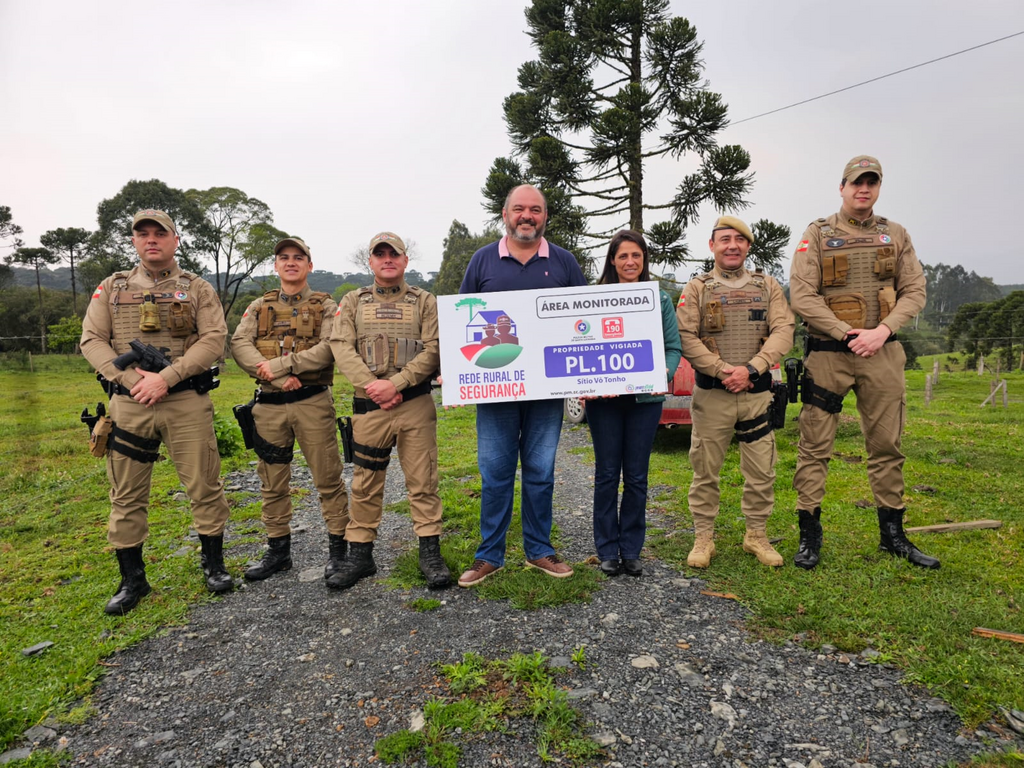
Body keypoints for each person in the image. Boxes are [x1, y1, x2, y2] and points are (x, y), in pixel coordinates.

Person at [80, 210, 233, 614]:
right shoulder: (111, 288)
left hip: (185, 401)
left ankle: (213, 564)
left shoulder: (197, 288)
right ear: (133, 241)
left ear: (175, 240)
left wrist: (167, 376)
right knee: (126, 493)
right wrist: (132, 381)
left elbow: (214, 340)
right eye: (142, 234)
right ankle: (133, 581)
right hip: (129, 405)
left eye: (159, 234)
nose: (151, 240)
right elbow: (92, 340)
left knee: (203, 484)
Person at [789, 156, 937, 570]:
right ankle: (809, 536)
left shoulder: (896, 235)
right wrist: (844, 332)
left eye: (872, 183)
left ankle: (893, 535)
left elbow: (914, 291)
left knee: (887, 445)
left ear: (878, 188)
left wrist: (882, 331)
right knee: (815, 446)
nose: (864, 190)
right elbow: (801, 296)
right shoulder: (816, 235)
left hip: (882, 353)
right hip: (829, 355)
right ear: (842, 187)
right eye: (857, 183)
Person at [457, 184, 588, 587]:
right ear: (505, 214)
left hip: (546, 391)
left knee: (539, 471)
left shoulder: (564, 263)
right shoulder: (482, 261)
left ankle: (539, 551)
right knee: (495, 472)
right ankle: (489, 555)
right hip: (496, 387)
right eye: (519, 209)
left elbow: (586, 321)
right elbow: (462, 316)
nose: (526, 216)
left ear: (545, 216)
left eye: (535, 209)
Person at [327, 232, 450, 590]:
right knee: (365, 484)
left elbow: (434, 349)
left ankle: (430, 552)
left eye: (393, 254)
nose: (387, 259)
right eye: (379, 254)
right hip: (370, 407)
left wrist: (395, 384)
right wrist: (372, 386)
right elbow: (341, 345)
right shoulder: (352, 300)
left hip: (414, 404)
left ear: (405, 260)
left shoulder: (425, 301)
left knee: (423, 481)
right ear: (371, 261)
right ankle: (360, 556)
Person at [229, 237, 350, 583]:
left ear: (310, 265)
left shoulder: (327, 305)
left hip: (312, 401)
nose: (291, 262)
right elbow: (239, 343)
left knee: (328, 478)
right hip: (269, 405)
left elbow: (330, 347)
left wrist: (282, 365)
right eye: (284, 257)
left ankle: (338, 551)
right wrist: (275, 377)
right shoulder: (258, 305)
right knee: (271, 482)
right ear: (276, 266)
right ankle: (278, 551)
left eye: (299, 257)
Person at [677, 215, 795, 569]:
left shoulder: (768, 285)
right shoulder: (697, 288)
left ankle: (756, 535)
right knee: (705, 469)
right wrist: (723, 370)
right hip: (713, 394)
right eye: (724, 239)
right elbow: (686, 336)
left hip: (757, 395)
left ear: (747, 246)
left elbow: (783, 330)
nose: (732, 245)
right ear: (712, 245)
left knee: (761, 470)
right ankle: (703, 538)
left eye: (739, 240)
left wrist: (752, 369)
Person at [585, 230, 682, 577]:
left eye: (636, 256)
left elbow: (673, 347)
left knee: (637, 477)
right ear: (612, 260)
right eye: (623, 256)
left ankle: (632, 549)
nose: (630, 262)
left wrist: (662, 375)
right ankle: (607, 548)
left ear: (645, 261)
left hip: (645, 399)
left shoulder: (660, 301)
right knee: (607, 475)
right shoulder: (593, 299)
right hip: (604, 401)